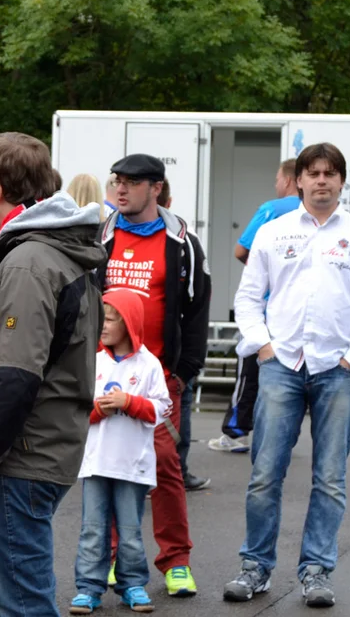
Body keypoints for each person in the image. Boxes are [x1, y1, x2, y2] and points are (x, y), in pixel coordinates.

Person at [0, 132, 105, 617]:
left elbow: (16, 377)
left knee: (22, 604)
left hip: (16, 459)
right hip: (27, 454)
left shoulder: (30, 262)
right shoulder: (51, 251)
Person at [225, 143, 350, 608]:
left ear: (342, 181)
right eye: (312, 173)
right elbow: (249, 296)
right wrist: (264, 347)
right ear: (298, 180)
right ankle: (255, 567)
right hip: (282, 366)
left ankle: (316, 571)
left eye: (330, 173)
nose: (321, 180)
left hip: (336, 369)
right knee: (263, 474)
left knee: (330, 478)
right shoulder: (273, 233)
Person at [97, 154, 211, 597]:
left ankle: (176, 561)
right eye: (117, 181)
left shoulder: (181, 243)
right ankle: (111, 558)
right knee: (107, 468)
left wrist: (184, 372)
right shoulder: (101, 237)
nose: (121, 189)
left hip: (159, 378)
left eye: (131, 182)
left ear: (156, 188)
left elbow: (197, 311)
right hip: (106, 374)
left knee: (165, 470)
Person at [70, 290, 170, 615]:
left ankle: (133, 585)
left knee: (129, 531)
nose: (103, 325)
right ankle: (88, 588)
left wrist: (130, 403)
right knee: (92, 529)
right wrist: (99, 411)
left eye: (110, 318)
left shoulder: (149, 364)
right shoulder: (92, 361)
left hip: (133, 464)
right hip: (96, 463)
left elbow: (162, 408)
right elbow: (76, 411)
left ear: (130, 322)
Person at [209, 159, 300, 454]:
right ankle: (279, 436)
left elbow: (240, 249)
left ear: (288, 180)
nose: (275, 184)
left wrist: (265, 271)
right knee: (288, 376)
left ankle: (235, 432)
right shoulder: (314, 213)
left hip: (264, 310)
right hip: (294, 312)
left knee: (249, 371)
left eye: (277, 178)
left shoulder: (272, 209)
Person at [153, 179, 208, 491]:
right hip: (163, 357)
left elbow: (197, 303)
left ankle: (174, 472)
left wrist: (188, 367)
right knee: (174, 414)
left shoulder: (186, 243)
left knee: (177, 407)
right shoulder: (111, 236)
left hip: (171, 359)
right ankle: (175, 471)